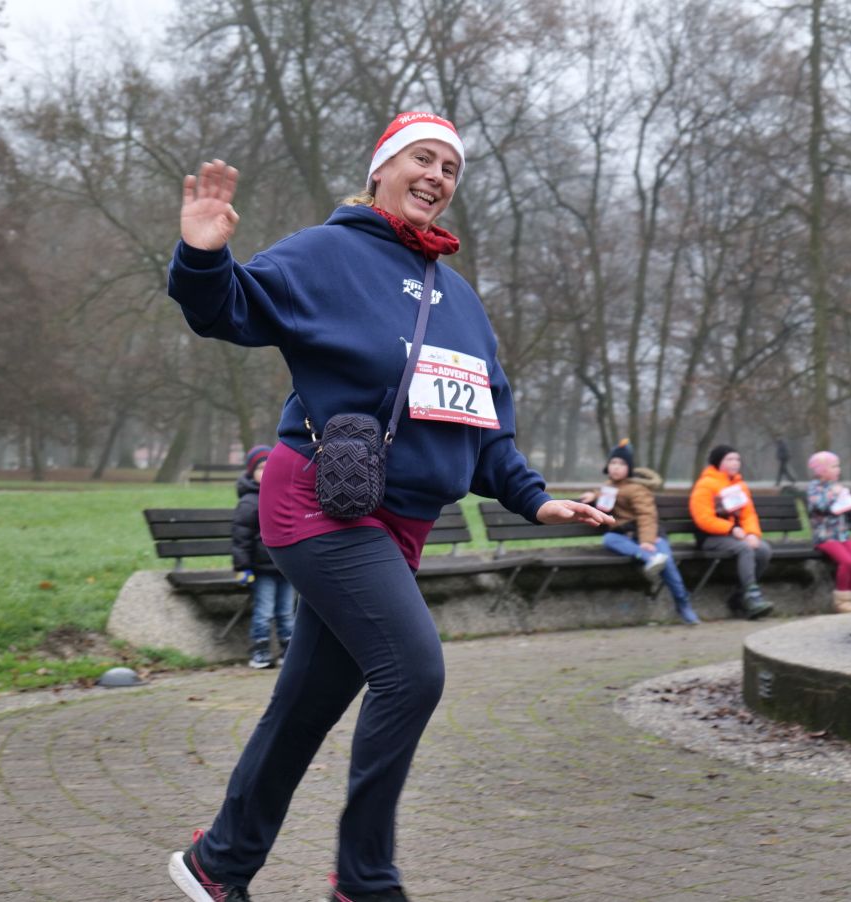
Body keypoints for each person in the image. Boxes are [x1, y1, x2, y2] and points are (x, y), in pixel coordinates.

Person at [163, 112, 611, 902]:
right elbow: (226, 308)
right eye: (421, 159)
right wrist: (203, 251)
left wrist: (537, 502)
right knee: (413, 671)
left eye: (450, 168)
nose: (436, 176)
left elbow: (487, 434)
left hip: (398, 528)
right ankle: (366, 882)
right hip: (317, 501)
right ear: (381, 170)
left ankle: (218, 863)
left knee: (305, 708)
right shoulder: (327, 252)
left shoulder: (462, 301)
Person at [577, 440, 698, 625]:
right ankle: (648, 558)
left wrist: (648, 540)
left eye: (622, 464)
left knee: (666, 561)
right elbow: (604, 491)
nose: (616, 468)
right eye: (613, 463)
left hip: (650, 535)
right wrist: (594, 495)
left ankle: (683, 602)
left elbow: (647, 515)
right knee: (609, 538)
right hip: (625, 537)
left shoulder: (637, 489)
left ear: (629, 468)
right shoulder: (607, 487)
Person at [690, 445, 774, 619]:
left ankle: (739, 596)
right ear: (718, 462)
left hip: (737, 536)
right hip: (711, 538)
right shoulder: (705, 485)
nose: (735, 463)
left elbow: (748, 514)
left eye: (737, 459)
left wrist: (751, 533)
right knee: (745, 549)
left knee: (763, 549)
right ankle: (752, 597)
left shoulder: (739, 485)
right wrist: (730, 529)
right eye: (729, 459)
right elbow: (703, 518)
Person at [231, 444, 295, 669]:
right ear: (251, 472)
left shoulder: (284, 495)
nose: (265, 472)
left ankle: (289, 650)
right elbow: (241, 538)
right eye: (260, 468)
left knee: (287, 611)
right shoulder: (249, 502)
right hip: (261, 569)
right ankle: (260, 649)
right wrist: (243, 567)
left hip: (285, 567)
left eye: (270, 467)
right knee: (264, 611)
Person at [805, 451, 851, 613]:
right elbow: (821, 507)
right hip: (825, 537)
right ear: (821, 471)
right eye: (833, 466)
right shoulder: (814, 488)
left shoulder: (839, 488)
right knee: (847, 562)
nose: (838, 469)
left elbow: (850, 516)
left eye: (838, 466)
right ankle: (840, 601)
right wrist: (835, 494)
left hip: (843, 535)